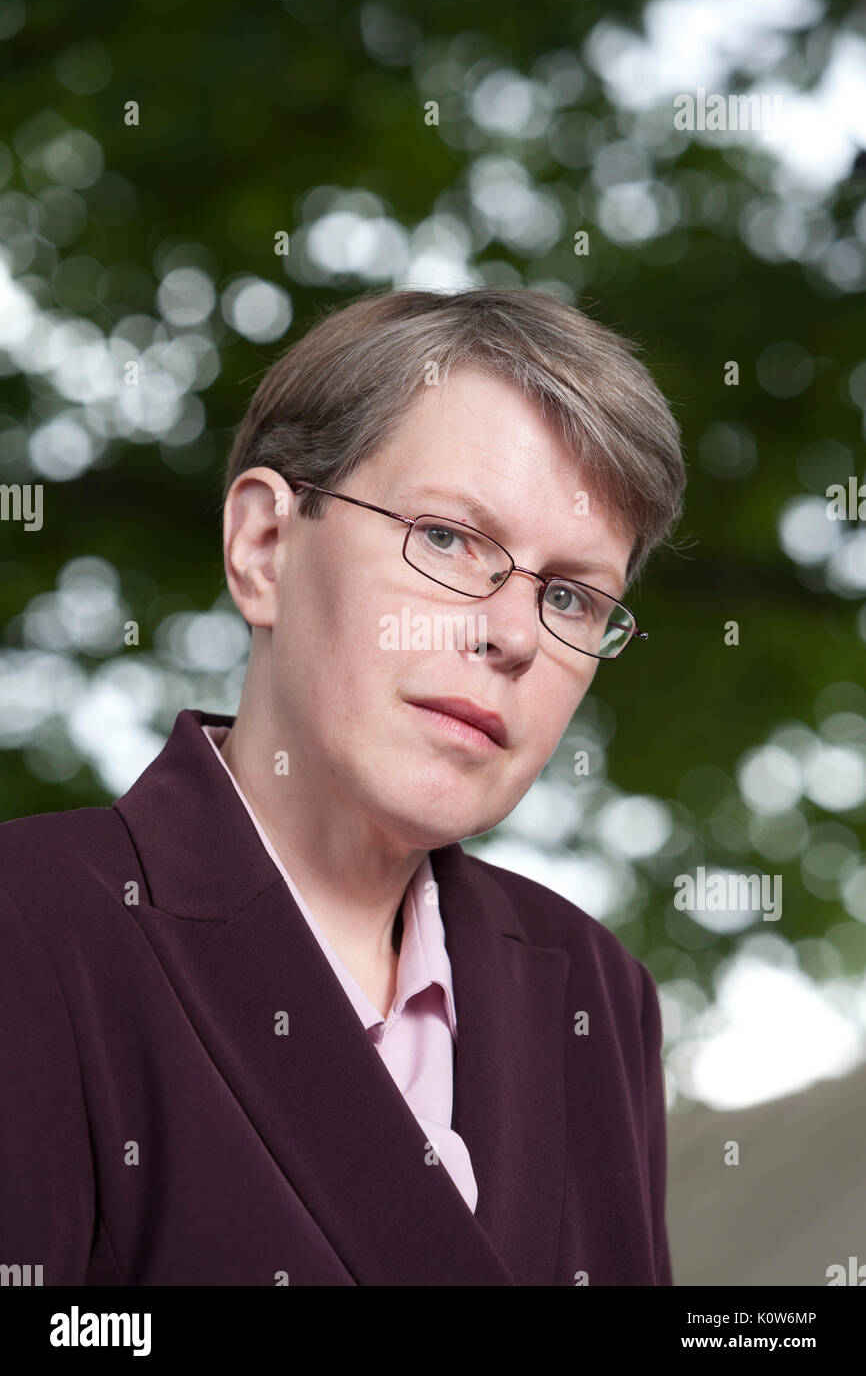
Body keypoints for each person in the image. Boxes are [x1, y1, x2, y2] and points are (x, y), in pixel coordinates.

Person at [0, 287, 686, 1286]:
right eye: (449, 539)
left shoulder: (595, 988)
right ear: (265, 546)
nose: (513, 634)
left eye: (572, 596)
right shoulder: (34, 922)